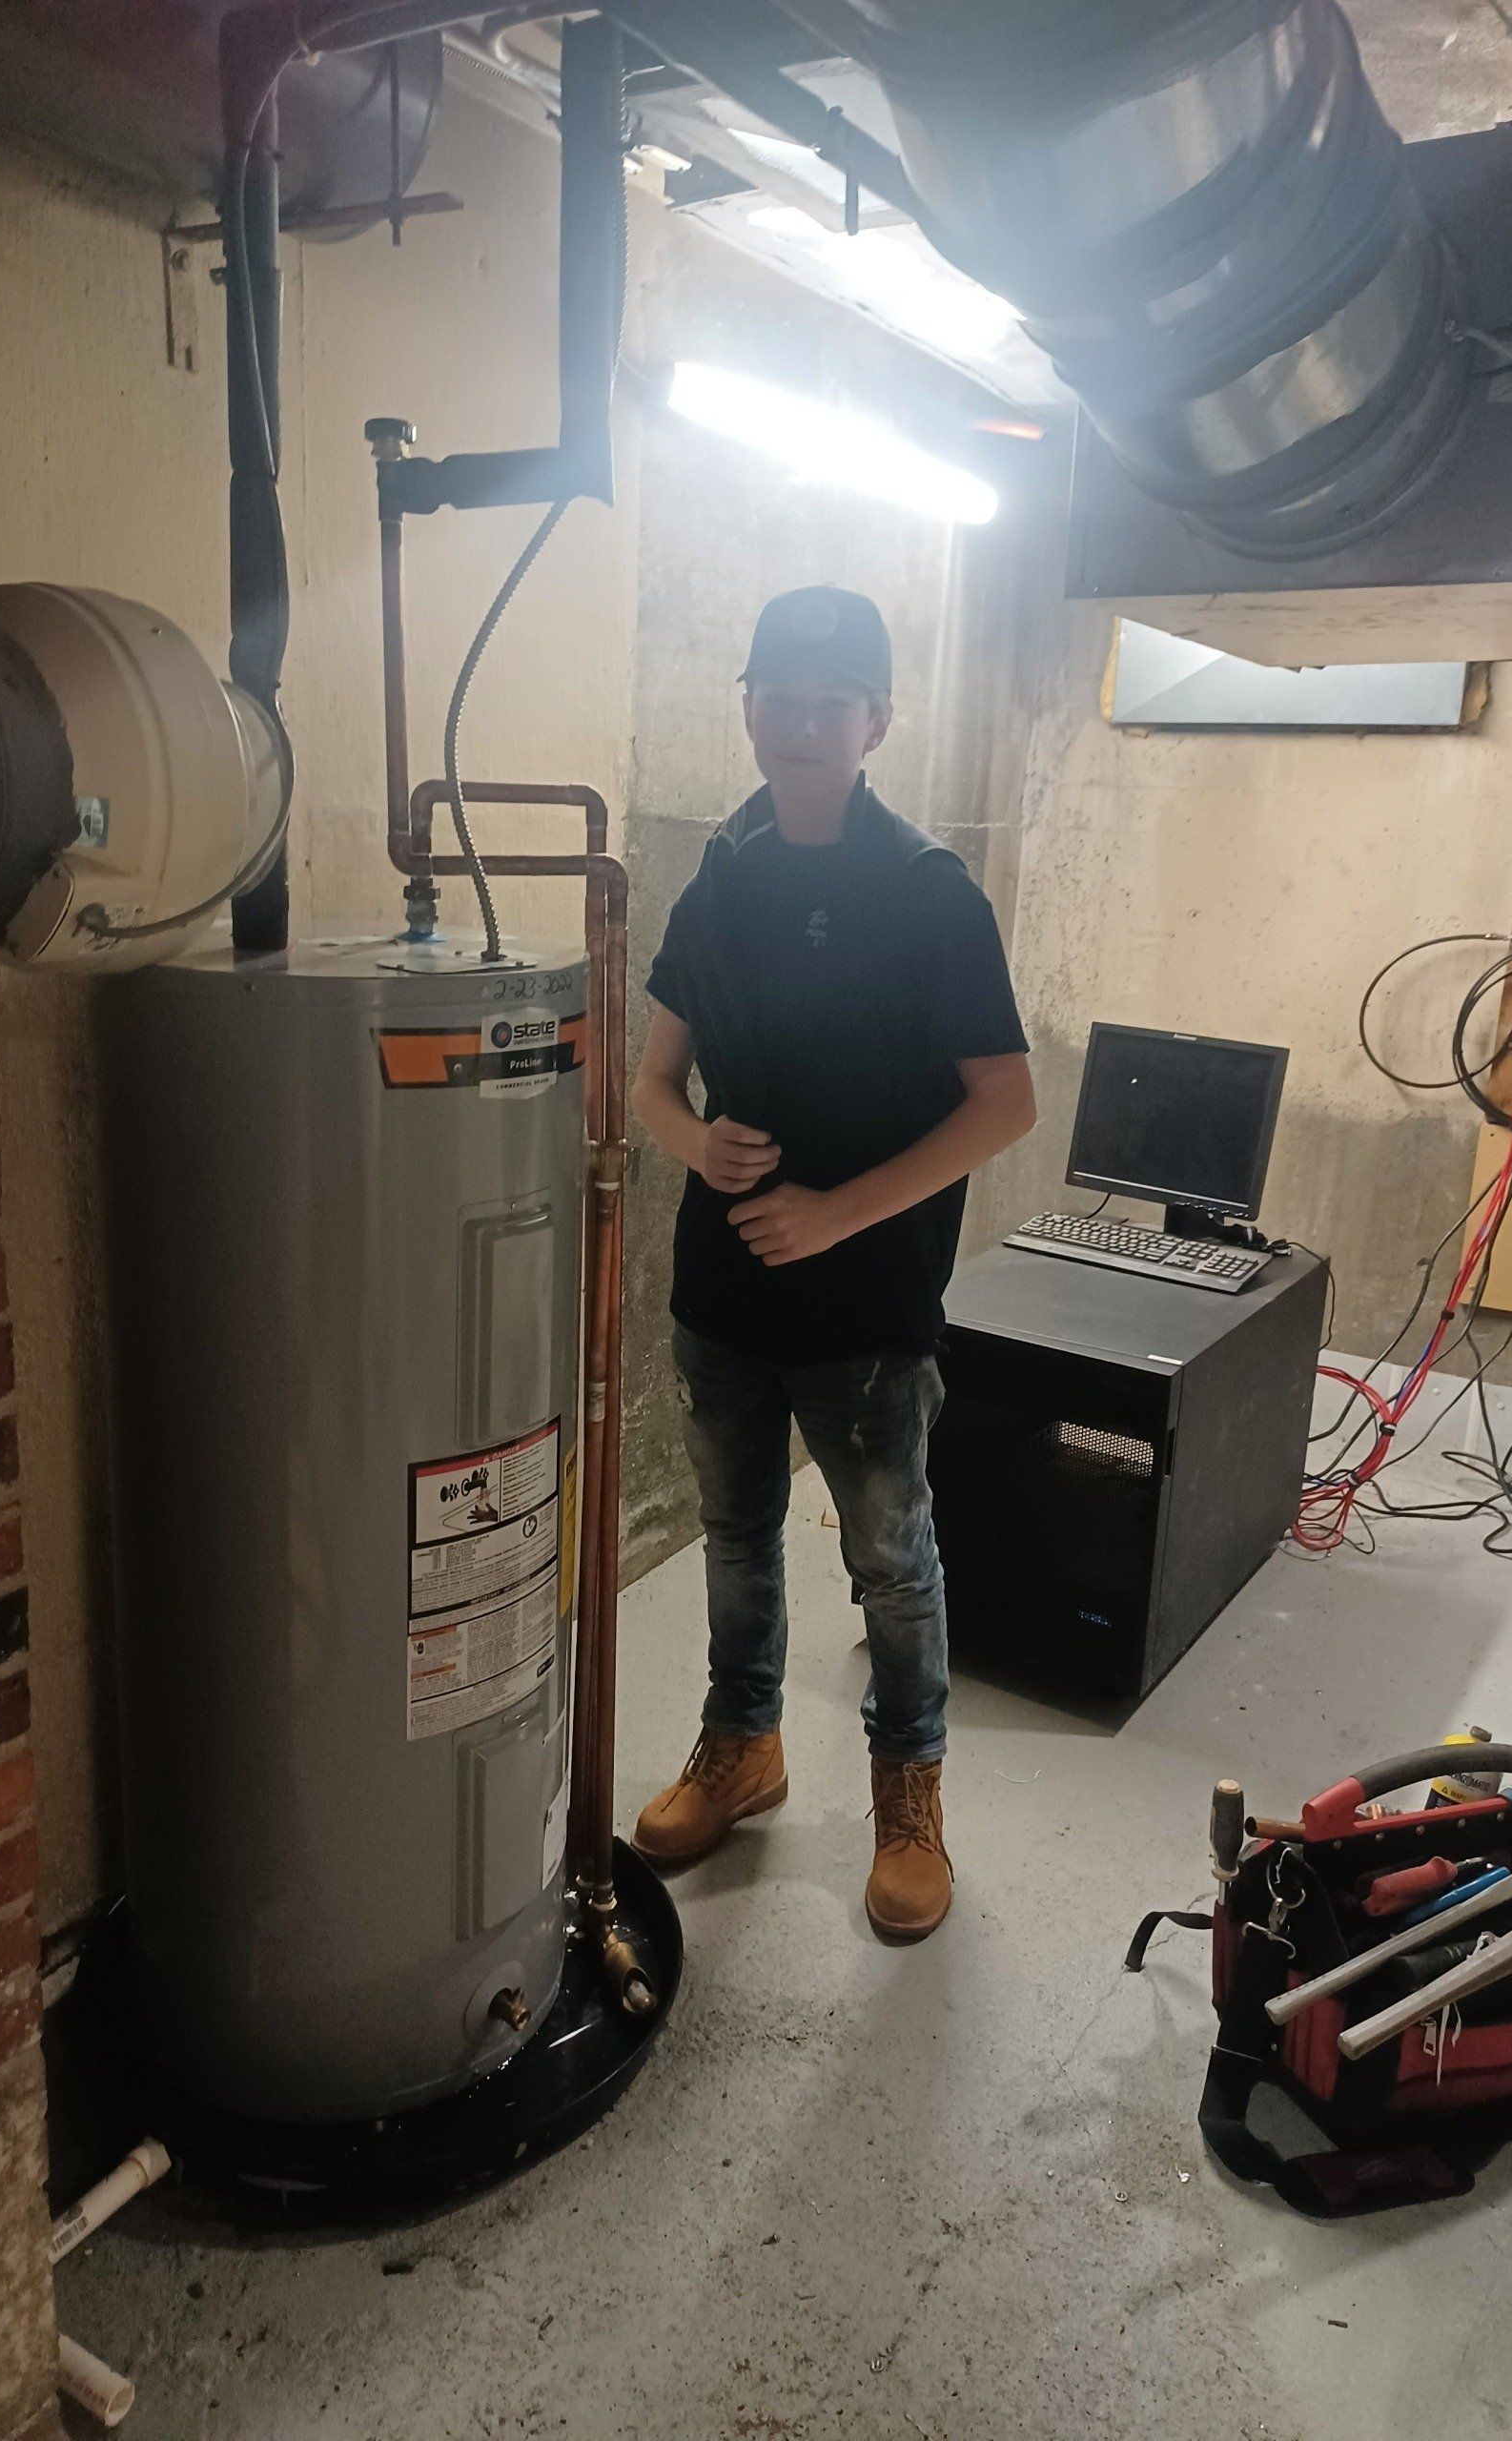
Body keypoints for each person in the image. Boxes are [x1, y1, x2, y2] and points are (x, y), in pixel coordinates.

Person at [629, 585, 1035, 1940]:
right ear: (746, 708)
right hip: (722, 1291)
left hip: (865, 1301)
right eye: (776, 698)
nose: (799, 724)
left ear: (875, 721)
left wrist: (837, 1212)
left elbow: (1004, 1103)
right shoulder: (723, 873)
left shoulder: (927, 892)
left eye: (828, 703)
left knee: (891, 1559)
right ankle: (741, 1746)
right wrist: (695, 1145)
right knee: (737, 1537)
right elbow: (650, 1084)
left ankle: (908, 1801)